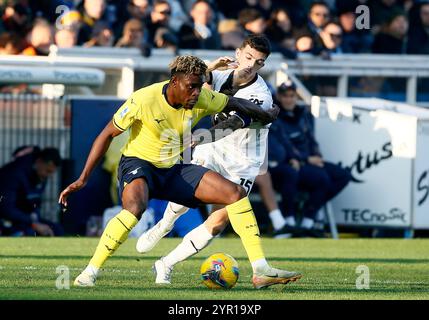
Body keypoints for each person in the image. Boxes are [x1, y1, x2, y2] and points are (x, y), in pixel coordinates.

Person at [58, 55, 293, 288]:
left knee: (235, 194)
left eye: (200, 86)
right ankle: (89, 272)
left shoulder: (202, 97)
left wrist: (266, 115)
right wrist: (82, 178)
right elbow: (107, 134)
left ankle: (260, 269)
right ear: (174, 82)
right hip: (139, 164)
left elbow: (237, 104)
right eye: (191, 87)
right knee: (134, 209)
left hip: (172, 168)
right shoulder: (144, 98)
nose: (196, 93)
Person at [136, 35, 302, 288]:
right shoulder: (222, 75)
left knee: (218, 222)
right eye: (247, 57)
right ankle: (165, 225)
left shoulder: (261, 95)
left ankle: (165, 263)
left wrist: (201, 137)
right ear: (237, 53)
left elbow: (235, 123)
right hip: (214, 150)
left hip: (243, 161)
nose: (250, 65)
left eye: (258, 62)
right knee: (186, 195)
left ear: (262, 65)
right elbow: (182, 76)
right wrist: (210, 67)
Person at [259, 80, 351, 237]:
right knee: (312, 176)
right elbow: (281, 145)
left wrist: (317, 156)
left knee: (341, 175)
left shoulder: (304, 115)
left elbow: (311, 139)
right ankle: (290, 222)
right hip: (288, 163)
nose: (289, 99)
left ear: (296, 97)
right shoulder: (273, 116)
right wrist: (304, 159)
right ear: (278, 97)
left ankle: (309, 218)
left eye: (292, 96)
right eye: (285, 96)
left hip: (305, 161)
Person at [0, 147, 63, 236]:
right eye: (48, 171)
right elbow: (6, 209)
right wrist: (32, 223)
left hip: (25, 219)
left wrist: (35, 220)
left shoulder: (40, 176)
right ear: (39, 162)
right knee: (29, 232)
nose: (49, 175)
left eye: (51, 172)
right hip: (8, 220)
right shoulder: (13, 174)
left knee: (56, 229)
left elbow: (34, 203)